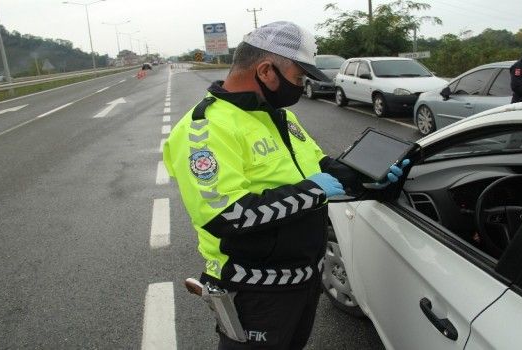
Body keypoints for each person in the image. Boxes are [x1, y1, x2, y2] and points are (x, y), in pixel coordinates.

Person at [163, 21, 408, 349]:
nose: (301, 86)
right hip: (254, 293)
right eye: (298, 78)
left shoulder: (278, 116)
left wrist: (373, 179)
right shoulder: (205, 129)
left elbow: (319, 167)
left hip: (304, 281)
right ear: (266, 71)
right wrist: (312, 191)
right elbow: (225, 216)